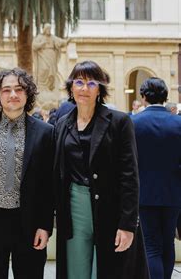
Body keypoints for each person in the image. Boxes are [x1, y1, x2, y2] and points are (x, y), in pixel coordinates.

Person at [54, 61, 149, 279]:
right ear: (71, 88)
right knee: (76, 270)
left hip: (110, 206)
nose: (84, 88)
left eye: (91, 83)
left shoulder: (119, 122)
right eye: (78, 82)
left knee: (108, 268)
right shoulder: (62, 123)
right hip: (74, 207)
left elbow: (130, 175)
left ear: (100, 89)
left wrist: (128, 224)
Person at [0, 68, 54, 278]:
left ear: (28, 94)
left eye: (19, 89)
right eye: (6, 90)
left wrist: (45, 226)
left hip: (29, 221)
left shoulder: (45, 132)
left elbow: (49, 184)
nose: (13, 95)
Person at [132, 77, 181, 279]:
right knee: (168, 242)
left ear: (143, 97)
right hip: (174, 192)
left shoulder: (133, 123)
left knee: (151, 245)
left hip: (144, 192)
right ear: (165, 96)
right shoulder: (178, 123)